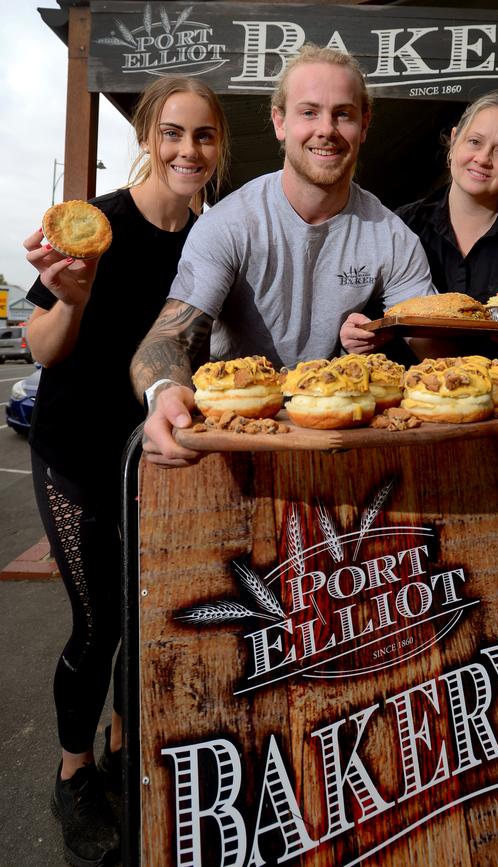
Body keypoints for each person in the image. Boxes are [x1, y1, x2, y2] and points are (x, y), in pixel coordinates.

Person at [23, 76, 229, 866]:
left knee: (150, 620)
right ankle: (73, 773)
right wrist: (72, 299)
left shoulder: (212, 240)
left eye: (204, 136)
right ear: (148, 133)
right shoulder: (96, 225)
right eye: (173, 132)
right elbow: (41, 346)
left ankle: (119, 747)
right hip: (74, 452)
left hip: (158, 462)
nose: (187, 150)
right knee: (98, 621)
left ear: (219, 146)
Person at [130, 44, 435, 468]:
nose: (325, 129)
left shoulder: (393, 237)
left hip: (332, 439)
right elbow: (168, 338)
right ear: (280, 122)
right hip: (235, 438)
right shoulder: (230, 223)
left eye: (343, 114)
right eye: (308, 112)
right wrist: (164, 393)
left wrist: (491, 380)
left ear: (364, 124)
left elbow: (431, 343)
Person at [341, 90, 498, 381]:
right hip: (410, 405)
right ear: (454, 140)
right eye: (475, 142)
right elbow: (369, 320)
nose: (483, 159)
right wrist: (357, 336)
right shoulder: (400, 225)